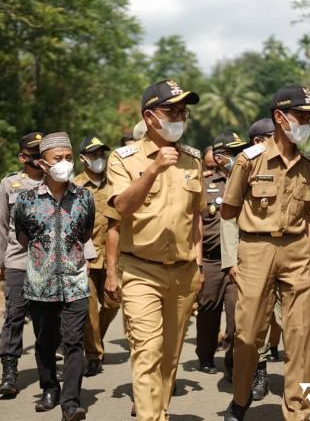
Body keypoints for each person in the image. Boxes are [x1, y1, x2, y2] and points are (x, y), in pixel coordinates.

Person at [222, 85, 310, 421]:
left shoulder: (309, 167)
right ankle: (240, 400)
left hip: (297, 252)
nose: (305, 123)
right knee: (249, 334)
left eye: (309, 118)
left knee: (301, 336)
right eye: (300, 116)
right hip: (256, 249)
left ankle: (298, 411)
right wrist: (233, 259)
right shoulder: (248, 161)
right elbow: (228, 212)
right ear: (279, 118)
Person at [105, 79, 204, 421]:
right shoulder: (123, 159)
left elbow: (196, 218)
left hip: (184, 272)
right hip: (140, 270)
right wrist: (153, 169)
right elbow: (121, 208)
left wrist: (199, 262)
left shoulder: (193, 160)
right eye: (171, 110)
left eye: (183, 110)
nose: (180, 117)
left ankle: (158, 412)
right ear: (149, 117)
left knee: (170, 356)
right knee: (147, 352)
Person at [14, 132, 95, 421]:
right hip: (39, 285)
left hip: (75, 283)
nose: (64, 163)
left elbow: (85, 233)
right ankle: (49, 387)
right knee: (45, 341)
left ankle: (71, 402)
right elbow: (23, 236)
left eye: (68, 158)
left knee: (74, 342)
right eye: (57, 158)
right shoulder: (25, 199)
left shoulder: (84, 196)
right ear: (43, 163)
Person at [0, 131, 45, 396]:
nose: (41, 160)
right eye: (35, 155)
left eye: (44, 154)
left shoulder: (56, 180)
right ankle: (9, 369)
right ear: (23, 157)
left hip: (49, 263)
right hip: (18, 261)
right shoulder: (10, 184)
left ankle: (47, 369)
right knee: (14, 315)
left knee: (46, 317)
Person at [195, 131, 246, 376]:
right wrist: (198, 266)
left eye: (239, 152)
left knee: (238, 314)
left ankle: (232, 360)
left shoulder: (249, 180)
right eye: (231, 153)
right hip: (211, 260)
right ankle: (205, 356)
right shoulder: (205, 184)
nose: (237, 157)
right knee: (207, 312)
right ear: (218, 156)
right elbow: (196, 224)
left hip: (239, 260)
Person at [73, 135, 120, 377]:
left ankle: (95, 339)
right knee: (89, 310)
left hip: (113, 256)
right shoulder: (75, 186)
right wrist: (82, 255)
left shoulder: (116, 182)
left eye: (102, 154)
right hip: (87, 257)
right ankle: (93, 355)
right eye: (93, 155)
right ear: (83, 159)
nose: (99, 159)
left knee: (114, 302)